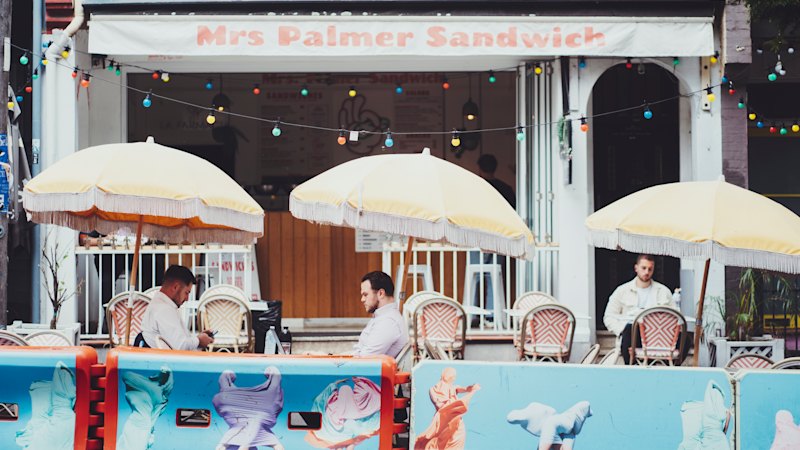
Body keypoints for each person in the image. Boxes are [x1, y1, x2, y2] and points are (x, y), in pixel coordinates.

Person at [603, 254, 678, 365]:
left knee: (686, 339)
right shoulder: (622, 291)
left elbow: (675, 316)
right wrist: (621, 330)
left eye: (650, 269)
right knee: (629, 329)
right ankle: (631, 368)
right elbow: (609, 316)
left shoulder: (663, 291)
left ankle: (668, 368)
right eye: (644, 268)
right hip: (633, 334)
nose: (647, 272)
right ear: (636, 268)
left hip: (657, 338)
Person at [139, 265, 214, 351]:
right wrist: (199, 340)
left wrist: (199, 339)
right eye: (186, 292)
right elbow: (181, 346)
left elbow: (178, 341)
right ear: (175, 287)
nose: (187, 299)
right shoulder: (164, 309)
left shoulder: (161, 304)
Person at [415, 367, 480, 449]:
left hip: (455, 418)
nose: (454, 378)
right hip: (444, 417)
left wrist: (472, 388)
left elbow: (466, 389)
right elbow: (439, 404)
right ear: (448, 375)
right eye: (453, 376)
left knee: (456, 436)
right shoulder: (433, 389)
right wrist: (450, 405)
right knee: (441, 439)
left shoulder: (453, 388)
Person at [352, 271, 408, 358]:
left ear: (381, 293)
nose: (362, 299)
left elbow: (364, 359)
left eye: (365, 295)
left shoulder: (388, 322)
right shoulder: (383, 318)